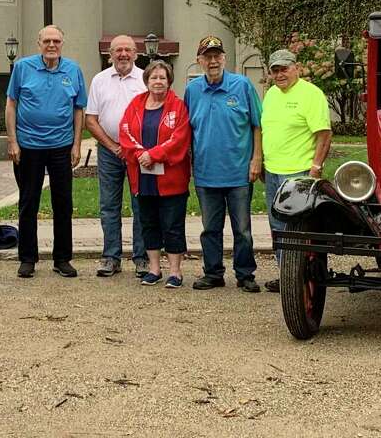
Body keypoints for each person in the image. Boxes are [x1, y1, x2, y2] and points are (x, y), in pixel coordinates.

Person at [183, 35, 264, 293]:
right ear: (199, 61)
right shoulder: (193, 90)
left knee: (242, 229)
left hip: (239, 172)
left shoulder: (242, 86)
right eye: (207, 56)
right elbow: (187, 131)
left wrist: (257, 160)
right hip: (206, 174)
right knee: (210, 229)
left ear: (225, 59)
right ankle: (213, 272)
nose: (213, 61)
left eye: (217, 56)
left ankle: (245, 274)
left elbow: (257, 125)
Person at [5, 25, 87, 278]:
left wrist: (76, 144)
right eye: (47, 41)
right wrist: (12, 141)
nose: (52, 45)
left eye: (57, 41)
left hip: (61, 146)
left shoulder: (73, 70)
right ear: (38, 43)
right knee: (28, 203)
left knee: (63, 204)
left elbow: (78, 109)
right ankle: (28, 258)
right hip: (29, 146)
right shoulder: (22, 68)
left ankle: (62, 259)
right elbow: (11, 105)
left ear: (63, 43)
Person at [260, 47, 332, 293]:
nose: (280, 74)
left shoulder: (311, 94)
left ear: (296, 68)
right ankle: (286, 276)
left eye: (284, 69)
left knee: (297, 229)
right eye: (275, 70)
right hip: (273, 171)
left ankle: (301, 277)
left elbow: (324, 134)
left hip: (298, 172)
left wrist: (316, 168)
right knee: (277, 227)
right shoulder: (270, 95)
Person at [118, 60, 192, 287]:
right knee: (148, 222)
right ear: (147, 81)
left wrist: (155, 154)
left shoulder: (177, 106)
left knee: (172, 224)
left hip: (171, 178)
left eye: (162, 77)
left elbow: (180, 137)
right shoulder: (136, 103)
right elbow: (125, 130)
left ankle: (175, 272)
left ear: (169, 81)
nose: (158, 82)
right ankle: (153, 268)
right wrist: (141, 153)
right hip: (143, 177)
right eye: (153, 78)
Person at [86, 35, 148, 277]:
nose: (123, 54)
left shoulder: (145, 79)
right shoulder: (99, 80)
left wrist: (136, 148)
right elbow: (91, 119)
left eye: (127, 50)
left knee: (140, 205)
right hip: (109, 152)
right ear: (109, 55)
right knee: (109, 206)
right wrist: (113, 146)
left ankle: (141, 258)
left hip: (139, 154)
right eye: (118, 50)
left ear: (136, 53)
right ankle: (111, 256)